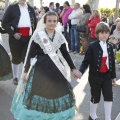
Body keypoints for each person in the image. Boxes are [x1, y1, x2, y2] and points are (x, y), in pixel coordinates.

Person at [11, 11, 79, 120]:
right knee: (39, 93)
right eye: (49, 21)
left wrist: (73, 69)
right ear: (45, 21)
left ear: (57, 22)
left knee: (56, 93)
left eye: (54, 21)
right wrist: (25, 72)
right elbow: (30, 55)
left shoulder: (59, 36)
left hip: (56, 70)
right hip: (40, 69)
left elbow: (65, 54)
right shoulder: (38, 35)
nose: (52, 23)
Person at [78, 22, 117, 120]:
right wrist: (80, 72)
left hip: (107, 76)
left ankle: (108, 117)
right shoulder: (92, 46)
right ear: (97, 34)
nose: (104, 35)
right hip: (95, 76)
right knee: (96, 96)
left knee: (109, 96)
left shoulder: (110, 46)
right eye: (102, 33)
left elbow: (111, 63)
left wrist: (113, 77)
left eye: (106, 33)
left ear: (109, 33)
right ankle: (92, 115)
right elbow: (86, 61)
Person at [2, 0, 37, 85]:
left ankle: (25, 76)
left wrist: (34, 35)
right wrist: (13, 33)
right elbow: (4, 23)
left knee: (27, 57)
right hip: (15, 37)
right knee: (16, 57)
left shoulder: (31, 9)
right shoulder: (12, 8)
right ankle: (15, 77)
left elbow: (35, 23)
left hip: (28, 37)